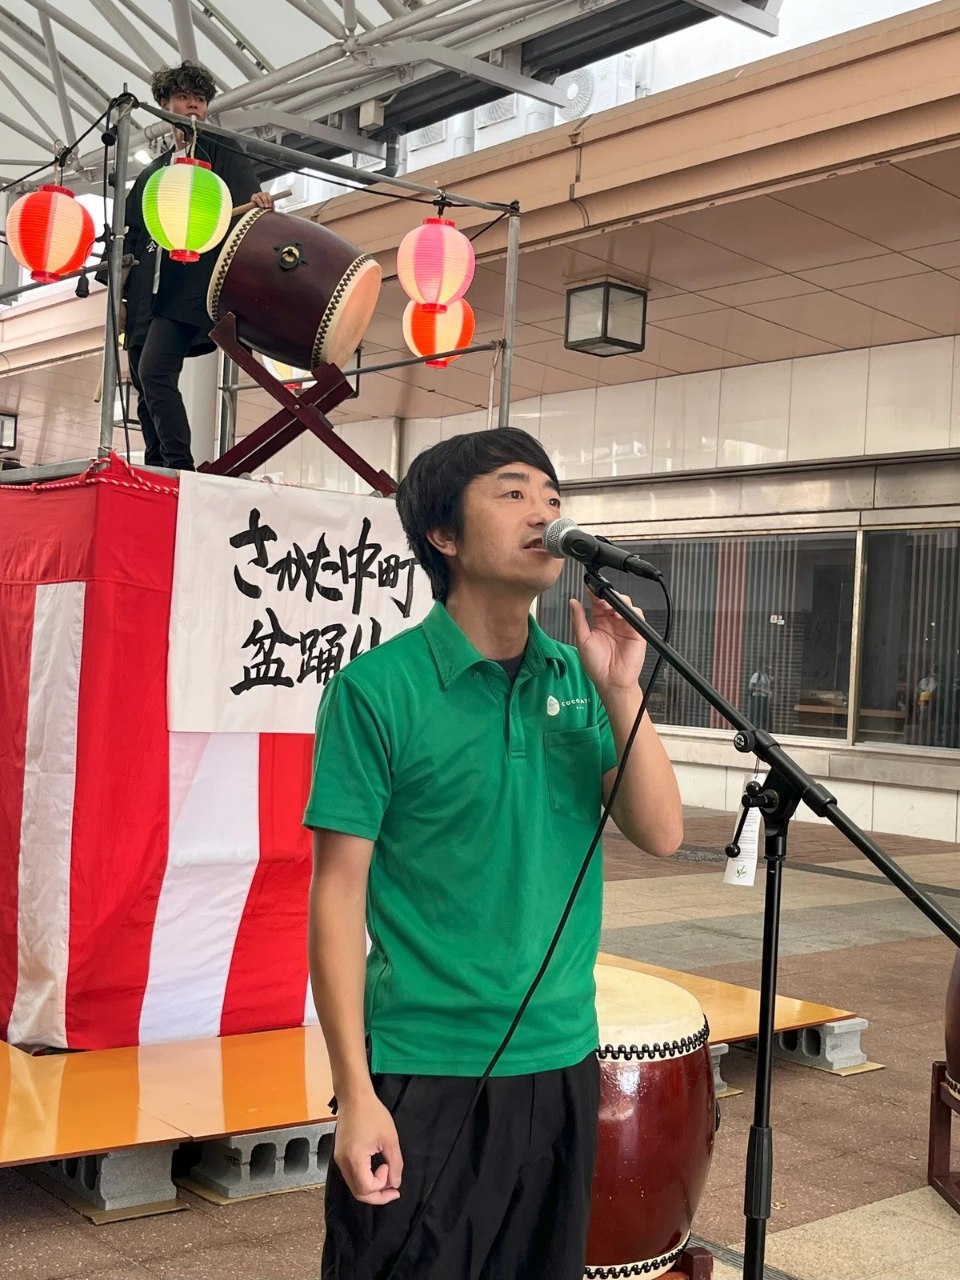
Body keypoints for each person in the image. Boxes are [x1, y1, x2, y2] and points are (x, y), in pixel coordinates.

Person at [304, 427, 683, 1280]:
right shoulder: (376, 691)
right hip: (424, 1067)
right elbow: (337, 895)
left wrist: (622, 690)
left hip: (563, 1059)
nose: (543, 513)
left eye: (552, 497)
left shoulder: (581, 678)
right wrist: (355, 1094)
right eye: (513, 493)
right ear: (442, 533)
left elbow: (661, 833)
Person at [108, 62, 272, 470]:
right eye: (183, 98)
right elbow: (130, 235)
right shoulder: (153, 171)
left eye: (199, 99)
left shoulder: (222, 150)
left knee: (156, 371)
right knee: (143, 381)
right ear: (164, 106)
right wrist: (119, 298)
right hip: (146, 290)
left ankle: (179, 468)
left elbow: (249, 203)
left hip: (190, 285)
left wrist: (257, 203)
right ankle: (156, 466)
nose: (193, 106)